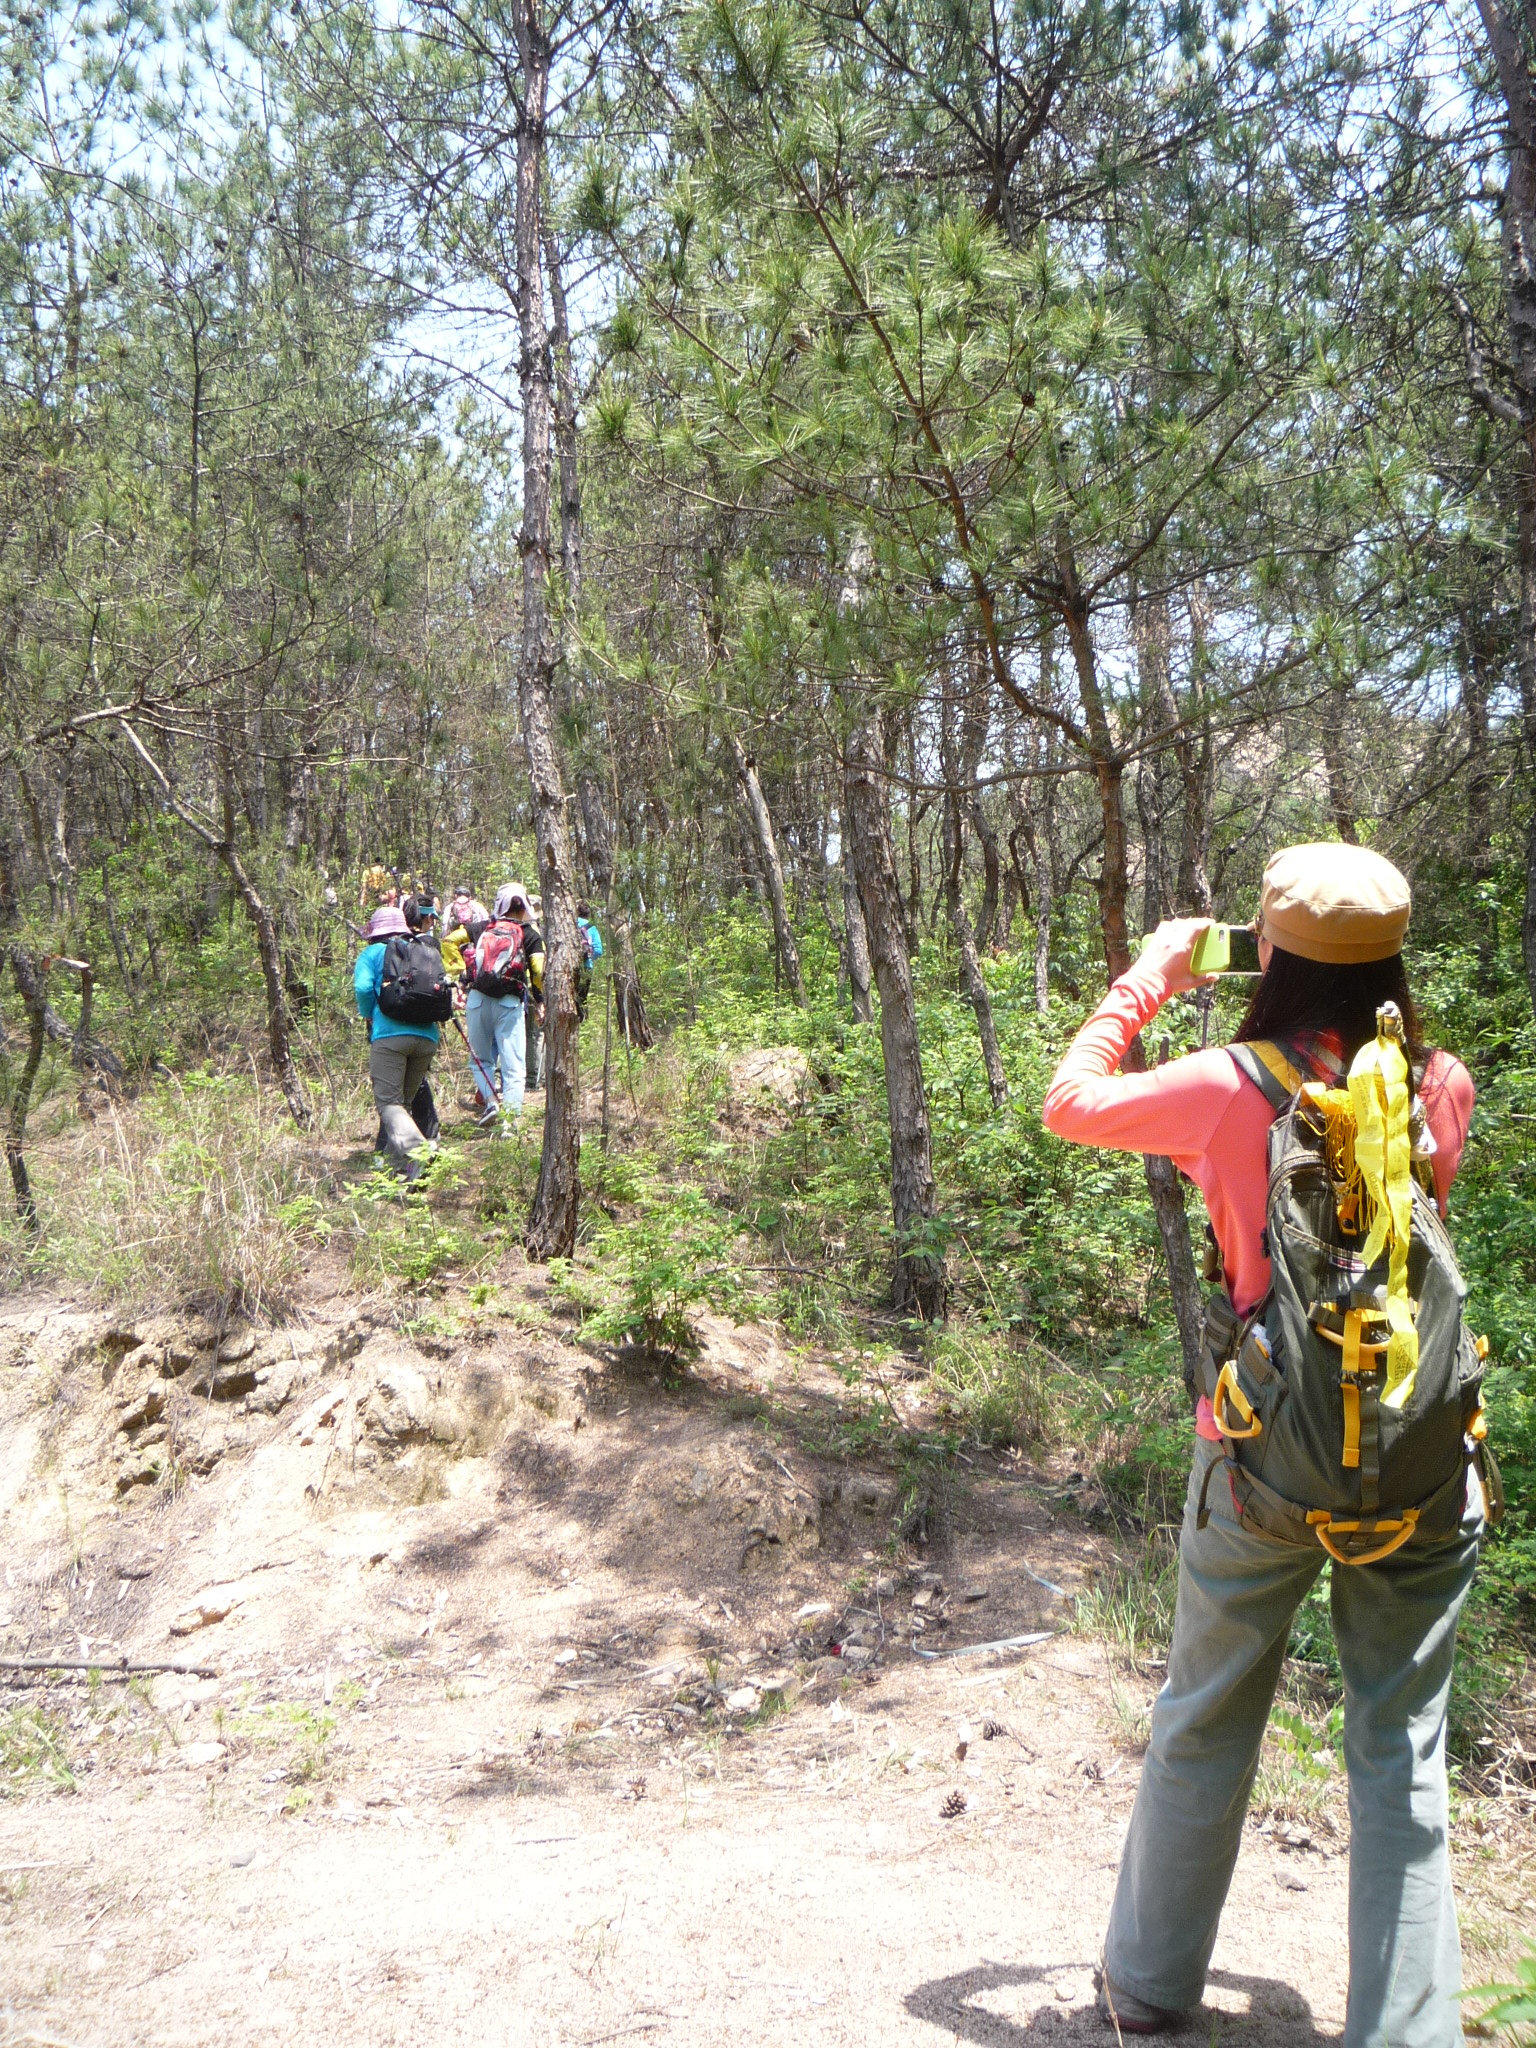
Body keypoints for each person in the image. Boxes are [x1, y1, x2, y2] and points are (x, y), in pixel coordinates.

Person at [1040, 844, 1481, 2048]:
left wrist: (1153, 974)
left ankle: (1148, 1986)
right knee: (1403, 1743)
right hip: (1421, 1452)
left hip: (1259, 1454)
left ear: (1271, 953)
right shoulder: (1440, 1083)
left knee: (1207, 1708)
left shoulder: (1227, 1085)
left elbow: (1069, 1099)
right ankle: (1408, 2029)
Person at [354, 903, 441, 1180]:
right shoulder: (420, 949)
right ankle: (400, 1172)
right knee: (403, 1102)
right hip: (427, 1037)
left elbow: (363, 988)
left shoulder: (371, 953)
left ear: (374, 932)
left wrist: (369, 1015)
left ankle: (419, 1151)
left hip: (390, 1037)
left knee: (389, 1104)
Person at [464, 883, 543, 1121]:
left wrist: (460, 973)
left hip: (477, 1000)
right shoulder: (530, 933)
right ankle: (509, 1123)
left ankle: (490, 1102)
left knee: (480, 1060)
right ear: (524, 906)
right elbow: (538, 970)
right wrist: (540, 999)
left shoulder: (482, 927)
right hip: (509, 1003)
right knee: (514, 1066)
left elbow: (449, 941)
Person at [525, 891, 546, 1089]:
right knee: (537, 1033)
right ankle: (534, 1079)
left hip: (519, 986)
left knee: (524, 1033)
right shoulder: (538, 933)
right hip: (536, 988)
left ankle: (531, 1077)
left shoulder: (518, 929)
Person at [576, 900, 603, 1022]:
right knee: (581, 1001)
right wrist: (588, 957)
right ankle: (581, 1022)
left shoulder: (570, 924)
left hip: (568, 968)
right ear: (588, 914)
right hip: (586, 968)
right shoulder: (592, 927)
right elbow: (598, 950)